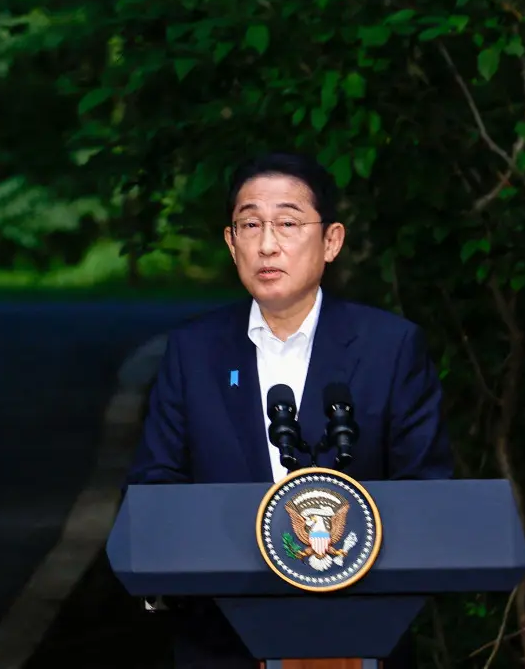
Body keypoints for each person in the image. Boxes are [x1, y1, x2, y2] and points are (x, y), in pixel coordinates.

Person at [126, 152, 453, 668]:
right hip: (222, 639)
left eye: (288, 223)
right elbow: (155, 485)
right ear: (231, 242)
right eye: (250, 223)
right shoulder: (194, 351)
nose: (267, 244)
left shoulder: (390, 347)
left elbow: (426, 491)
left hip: (359, 637)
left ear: (332, 241)